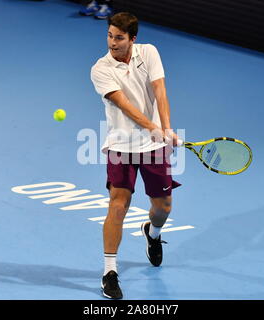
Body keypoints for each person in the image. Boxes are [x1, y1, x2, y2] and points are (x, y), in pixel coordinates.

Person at [90, 12, 181, 299]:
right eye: (109, 35)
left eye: (118, 38)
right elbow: (124, 105)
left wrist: (166, 128)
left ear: (132, 39)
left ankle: (152, 233)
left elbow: (160, 90)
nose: (112, 43)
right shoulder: (100, 69)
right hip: (121, 145)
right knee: (118, 205)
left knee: (163, 207)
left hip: (153, 147)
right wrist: (153, 127)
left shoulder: (149, 53)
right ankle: (109, 272)